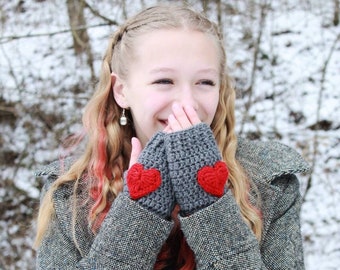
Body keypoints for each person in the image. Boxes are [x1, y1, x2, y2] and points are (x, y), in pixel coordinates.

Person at [34, 3, 310, 269]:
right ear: (121, 91)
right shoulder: (70, 196)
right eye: (164, 81)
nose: (186, 103)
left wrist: (209, 204)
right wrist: (139, 210)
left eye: (205, 82)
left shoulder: (272, 186)